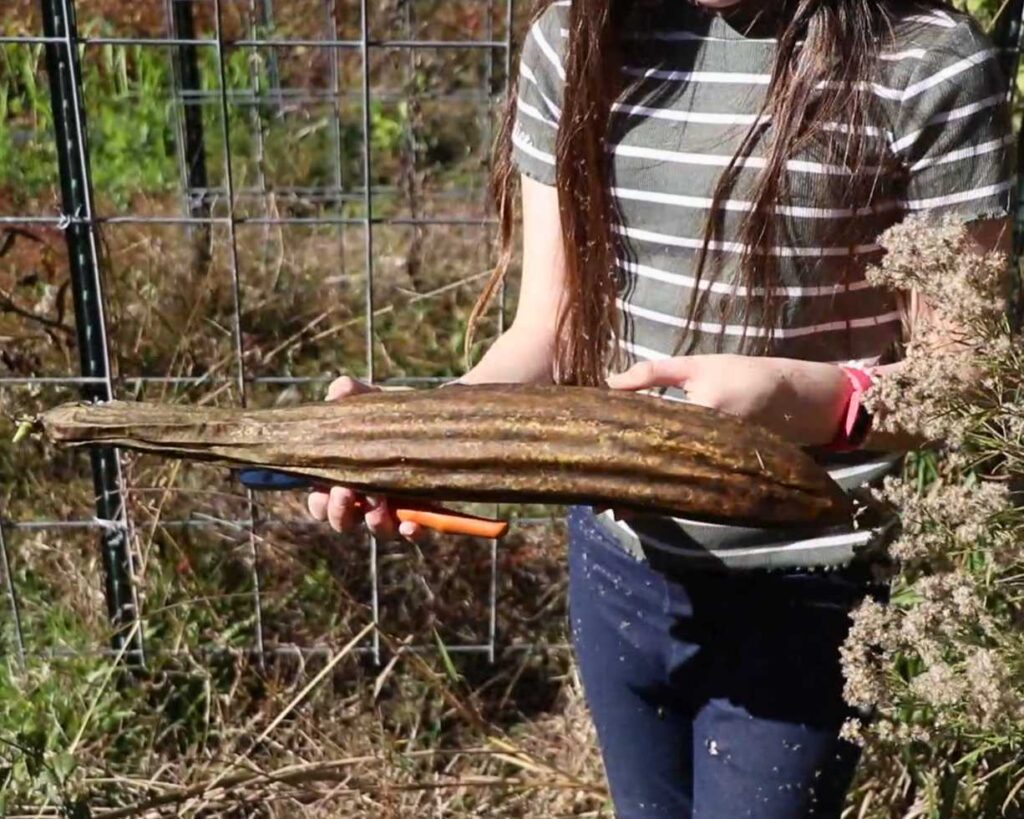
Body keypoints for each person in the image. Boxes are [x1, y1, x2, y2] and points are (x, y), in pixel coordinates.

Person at [307, 0, 1014, 815]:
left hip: (809, 594)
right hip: (616, 568)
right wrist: (409, 440)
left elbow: (966, 379)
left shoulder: (927, 62)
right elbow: (550, 325)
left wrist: (807, 399)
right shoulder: (578, 40)